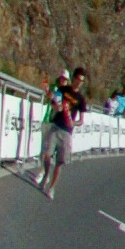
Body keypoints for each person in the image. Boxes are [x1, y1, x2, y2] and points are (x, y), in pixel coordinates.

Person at [39, 69, 87, 199]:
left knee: (60, 162)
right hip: (56, 126)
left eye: (82, 81)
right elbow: (54, 102)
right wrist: (52, 99)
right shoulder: (63, 89)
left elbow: (81, 120)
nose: (79, 83)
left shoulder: (81, 100)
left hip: (67, 132)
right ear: (74, 78)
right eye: (78, 79)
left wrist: (74, 123)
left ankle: (52, 188)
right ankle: (46, 174)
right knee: (47, 155)